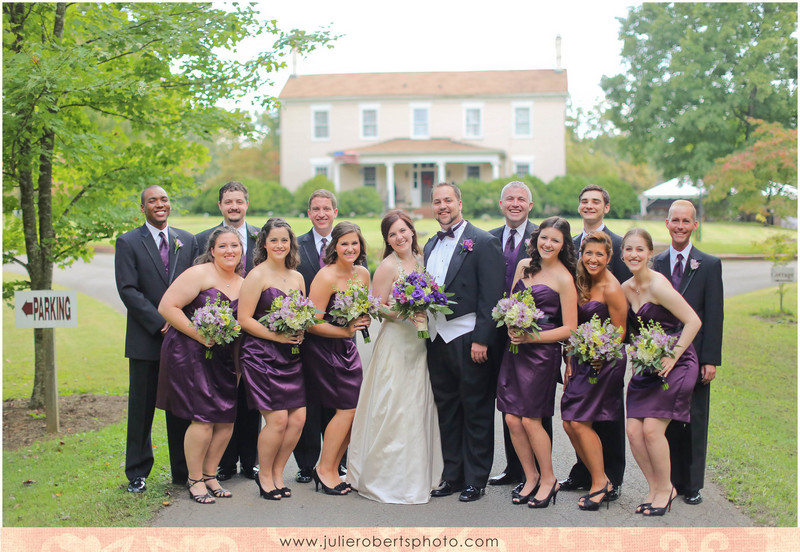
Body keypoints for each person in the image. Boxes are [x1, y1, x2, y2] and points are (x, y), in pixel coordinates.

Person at [346, 210, 443, 504]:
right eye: (392, 234)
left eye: (403, 231)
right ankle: (386, 474)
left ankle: (423, 471)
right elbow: (376, 305)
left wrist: (425, 308)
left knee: (418, 402)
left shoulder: (425, 259)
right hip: (396, 342)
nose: (399, 237)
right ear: (387, 240)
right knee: (394, 405)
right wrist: (405, 312)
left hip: (420, 343)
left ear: (412, 231)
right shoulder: (388, 266)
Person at [423, 182, 504, 502]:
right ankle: (452, 475)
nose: (443, 206)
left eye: (448, 200)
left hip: (469, 337)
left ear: (459, 202)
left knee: (476, 409)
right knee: (447, 409)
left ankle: (476, 479)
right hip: (437, 338)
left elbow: (492, 296)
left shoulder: (484, 242)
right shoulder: (430, 244)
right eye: (437, 202)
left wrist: (482, 339)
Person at [114, 185, 197, 493]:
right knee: (142, 408)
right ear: (143, 208)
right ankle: (137, 472)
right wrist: (160, 321)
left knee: (180, 408)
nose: (159, 204)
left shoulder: (186, 241)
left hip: (182, 342)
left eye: (164, 199)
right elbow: (128, 289)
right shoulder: (128, 242)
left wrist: (184, 323)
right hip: (145, 339)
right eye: (153, 201)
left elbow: (195, 285)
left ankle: (182, 471)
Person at [156, 226, 245, 504]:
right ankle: (194, 479)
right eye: (223, 246)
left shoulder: (244, 283)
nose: (229, 251)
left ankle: (210, 475)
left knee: (226, 420)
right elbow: (167, 306)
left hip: (225, 358)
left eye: (234, 246)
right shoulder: (199, 273)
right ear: (212, 250)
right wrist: (200, 335)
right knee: (203, 419)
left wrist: (239, 367)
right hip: (190, 353)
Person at [496, 216, 578, 508]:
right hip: (514, 351)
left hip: (541, 355)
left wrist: (532, 337)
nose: (548, 244)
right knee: (511, 419)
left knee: (531, 420)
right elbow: (509, 305)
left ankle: (549, 479)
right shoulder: (523, 267)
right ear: (536, 238)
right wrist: (510, 325)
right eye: (544, 237)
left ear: (563, 244)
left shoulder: (565, 278)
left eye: (555, 240)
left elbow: (570, 329)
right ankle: (530, 477)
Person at [621, 228, 701, 516]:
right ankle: (656, 488)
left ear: (649, 254)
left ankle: (665, 490)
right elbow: (626, 331)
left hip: (676, 363)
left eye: (639, 249)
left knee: (653, 431)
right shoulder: (625, 289)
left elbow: (693, 321)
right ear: (623, 254)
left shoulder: (658, 286)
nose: (633, 254)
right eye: (628, 249)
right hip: (647, 365)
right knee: (633, 431)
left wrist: (673, 356)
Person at [561, 184, 631, 500]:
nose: (589, 205)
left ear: (606, 206)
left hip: (605, 353)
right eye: (584, 200)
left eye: (595, 201)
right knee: (577, 420)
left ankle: (609, 479)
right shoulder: (572, 245)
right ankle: (586, 473)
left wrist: (603, 348)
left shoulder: (618, 244)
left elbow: (621, 316)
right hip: (580, 349)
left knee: (607, 416)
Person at [654, 200, 723, 505]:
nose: (680, 226)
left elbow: (714, 313)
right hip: (663, 357)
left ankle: (692, 485)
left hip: (695, 356)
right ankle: (668, 481)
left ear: (695, 225)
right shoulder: (655, 264)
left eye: (686, 221)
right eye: (675, 220)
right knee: (665, 420)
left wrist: (710, 359)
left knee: (694, 419)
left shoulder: (708, 264)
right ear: (667, 224)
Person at [238, 218, 308, 501]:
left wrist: (300, 329)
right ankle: (264, 474)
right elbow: (243, 319)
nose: (280, 245)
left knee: (298, 419)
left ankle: (279, 472)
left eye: (284, 240)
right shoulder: (257, 275)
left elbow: (302, 312)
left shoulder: (297, 277)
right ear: (264, 243)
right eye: (274, 240)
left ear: (291, 243)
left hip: (290, 356)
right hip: (261, 355)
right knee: (277, 419)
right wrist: (276, 337)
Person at [196, 181, 261, 481]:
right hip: (217, 335)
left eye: (239, 201)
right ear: (220, 205)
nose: (234, 206)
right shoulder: (202, 240)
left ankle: (250, 461)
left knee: (250, 398)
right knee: (222, 397)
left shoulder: (263, 238)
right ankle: (222, 464)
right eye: (228, 202)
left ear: (247, 204)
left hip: (255, 332)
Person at [303, 221, 372, 495]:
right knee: (347, 409)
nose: (350, 248)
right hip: (322, 350)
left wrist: (362, 320)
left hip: (347, 349)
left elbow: (360, 311)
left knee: (354, 410)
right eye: (344, 243)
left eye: (354, 243)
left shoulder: (363, 274)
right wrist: (344, 329)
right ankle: (324, 469)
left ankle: (331, 468)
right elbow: (310, 323)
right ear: (335, 247)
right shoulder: (325, 276)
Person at [292, 189, 350, 483]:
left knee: (337, 401)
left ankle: (336, 461)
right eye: (316, 209)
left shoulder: (346, 243)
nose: (321, 213)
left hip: (340, 339)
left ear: (335, 212)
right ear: (309, 213)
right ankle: (306, 464)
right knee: (310, 401)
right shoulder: (297, 246)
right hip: (307, 336)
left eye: (326, 208)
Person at [488, 181, 543, 488]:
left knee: (533, 403)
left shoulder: (542, 238)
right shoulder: (489, 239)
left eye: (521, 199)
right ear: (501, 204)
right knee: (508, 400)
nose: (515, 203)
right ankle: (513, 468)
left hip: (531, 331)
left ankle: (536, 471)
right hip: (497, 331)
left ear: (530, 206)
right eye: (510, 198)